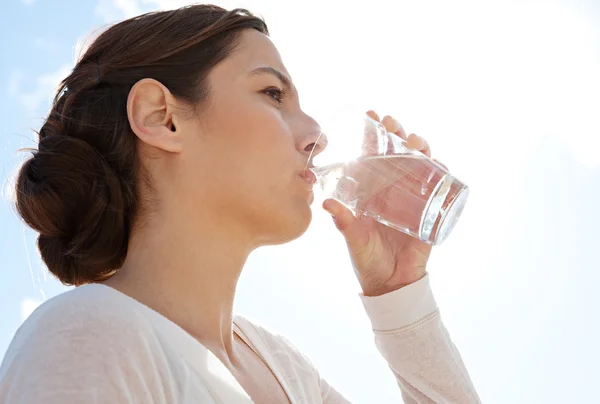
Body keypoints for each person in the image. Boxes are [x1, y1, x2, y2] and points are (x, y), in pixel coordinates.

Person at [0, 4, 480, 403]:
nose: (317, 134)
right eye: (273, 94)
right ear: (161, 117)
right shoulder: (88, 336)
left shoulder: (284, 368)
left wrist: (398, 290)